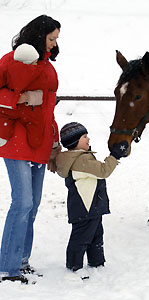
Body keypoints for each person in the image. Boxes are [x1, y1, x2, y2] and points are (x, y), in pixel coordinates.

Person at [0, 15, 61, 284]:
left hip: (40, 140)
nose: (55, 43)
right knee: (22, 202)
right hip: (15, 139)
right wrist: (22, 98)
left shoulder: (47, 67)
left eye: (57, 39)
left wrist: (55, 141)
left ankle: (22, 260)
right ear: (39, 36)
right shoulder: (10, 60)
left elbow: (49, 108)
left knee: (33, 205)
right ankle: (7, 268)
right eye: (51, 38)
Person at [56, 122, 128, 280]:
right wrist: (114, 156)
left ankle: (97, 262)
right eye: (84, 136)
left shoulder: (80, 157)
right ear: (75, 142)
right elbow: (103, 171)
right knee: (81, 237)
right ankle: (74, 266)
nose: (88, 138)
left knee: (96, 234)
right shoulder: (79, 160)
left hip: (91, 205)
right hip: (84, 207)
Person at [0, 43, 46, 148]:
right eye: (35, 62)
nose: (37, 64)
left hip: (9, 109)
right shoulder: (39, 71)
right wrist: (20, 98)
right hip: (29, 109)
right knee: (36, 126)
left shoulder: (5, 69)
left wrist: (17, 98)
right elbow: (43, 92)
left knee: (3, 120)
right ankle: (36, 143)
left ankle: (2, 136)